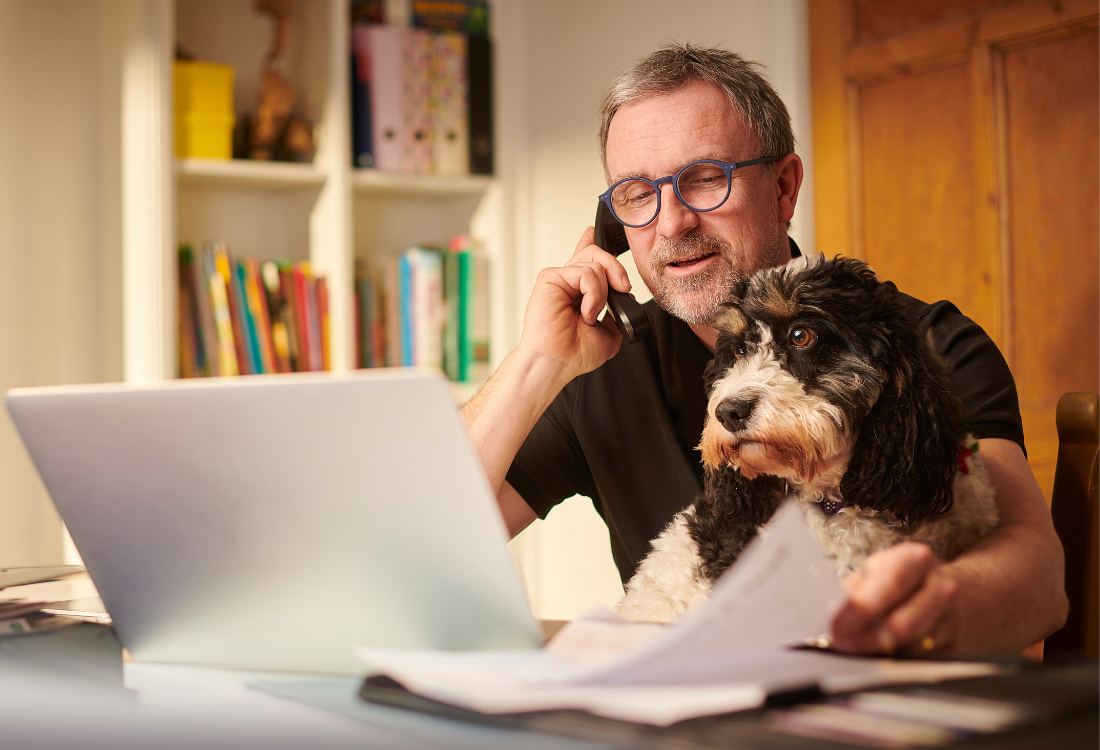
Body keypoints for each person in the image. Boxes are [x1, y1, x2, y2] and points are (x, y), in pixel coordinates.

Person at [462, 44, 1067, 655]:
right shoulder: (600, 364)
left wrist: (922, 611)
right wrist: (537, 361)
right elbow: (414, 538)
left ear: (782, 188)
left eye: (704, 179)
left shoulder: (923, 345)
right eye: (637, 194)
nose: (671, 225)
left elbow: (1040, 581)